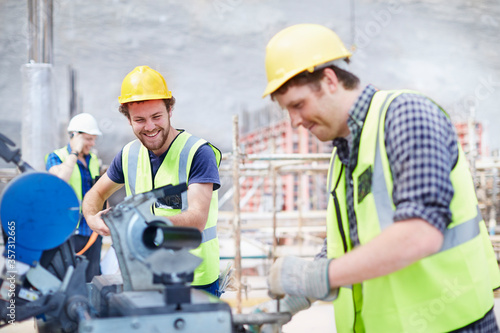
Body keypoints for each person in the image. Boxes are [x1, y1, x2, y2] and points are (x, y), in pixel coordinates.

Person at [258, 23, 500, 332]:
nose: (294, 122)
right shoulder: (343, 154)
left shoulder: (406, 116)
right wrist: (293, 298)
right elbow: (343, 247)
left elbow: (421, 232)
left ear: (329, 81)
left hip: (451, 324)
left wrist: (319, 277)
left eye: (298, 105)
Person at [82, 66, 222, 297]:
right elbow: (94, 195)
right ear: (129, 120)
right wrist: (91, 217)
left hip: (195, 282)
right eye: (139, 119)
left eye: (156, 116)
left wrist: (136, 223)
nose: (149, 127)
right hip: (145, 278)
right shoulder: (129, 155)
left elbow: (197, 219)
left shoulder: (198, 152)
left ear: (169, 111)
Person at [45, 112, 103, 283]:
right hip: (68, 230)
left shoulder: (92, 159)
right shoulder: (55, 157)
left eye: (94, 139)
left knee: (91, 280)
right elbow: (60, 179)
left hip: (91, 230)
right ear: (74, 136)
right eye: (87, 139)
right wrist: (75, 152)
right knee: (67, 280)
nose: (92, 144)